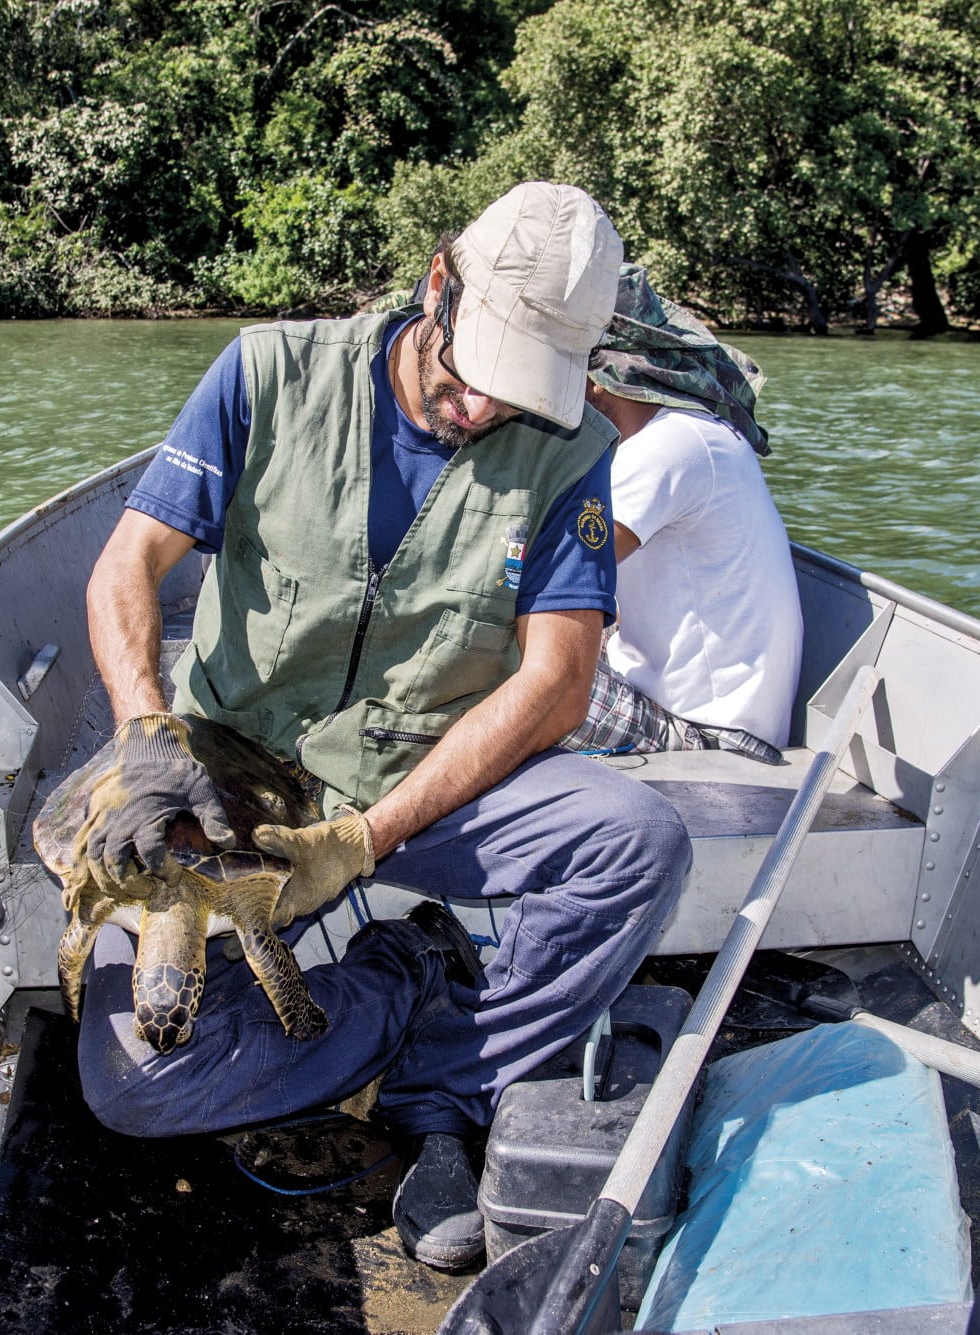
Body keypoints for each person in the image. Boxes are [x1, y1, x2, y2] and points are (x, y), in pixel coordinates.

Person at [72, 183, 692, 1270]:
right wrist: (143, 735)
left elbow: (555, 681)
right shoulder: (267, 370)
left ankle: (443, 1082)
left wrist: (367, 838)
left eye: (518, 393)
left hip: (433, 774)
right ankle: (410, 969)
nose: (483, 410)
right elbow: (128, 563)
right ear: (436, 285)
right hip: (237, 780)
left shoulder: (572, 448)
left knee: (634, 843)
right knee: (137, 1085)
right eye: (470, 377)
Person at [561, 265, 804, 764]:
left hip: (710, 734)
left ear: (594, 381)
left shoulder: (667, 448)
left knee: (483, 661)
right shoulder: (694, 430)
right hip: (696, 709)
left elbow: (565, 572)